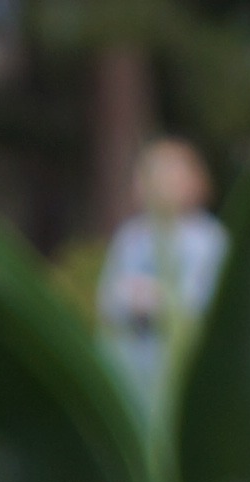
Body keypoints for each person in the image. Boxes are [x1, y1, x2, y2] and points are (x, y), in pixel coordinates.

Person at [101, 137, 227, 392]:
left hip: (181, 367)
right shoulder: (131, 237)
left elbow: (207, 301)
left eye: (167, 174)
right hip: (130, 368)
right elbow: (107, 297)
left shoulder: (208, 240)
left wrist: (157, 299)